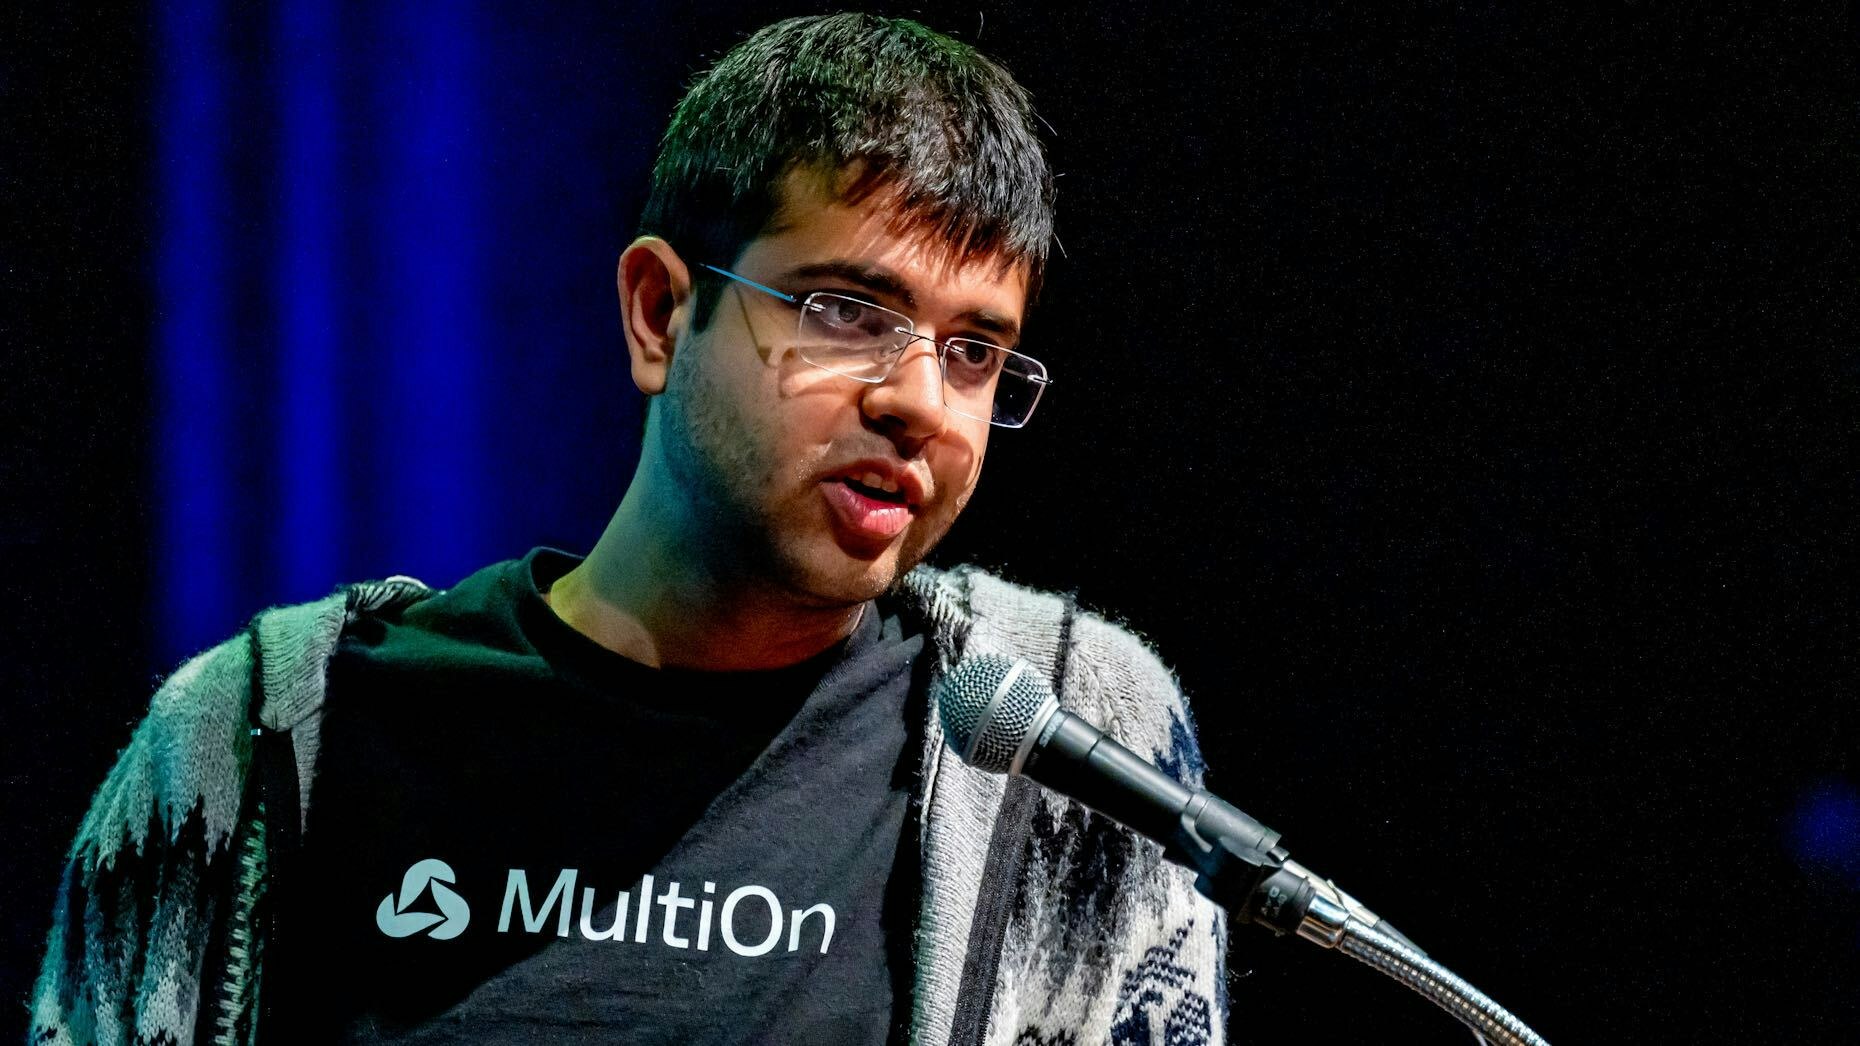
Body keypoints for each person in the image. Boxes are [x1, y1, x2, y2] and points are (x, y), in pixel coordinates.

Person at [31, 13, 1227, 1045]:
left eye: (974, 351)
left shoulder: (1073, 757)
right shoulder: (254, 747)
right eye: (847, 311)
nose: (918, 399)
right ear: (660, 312)